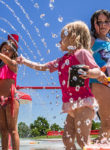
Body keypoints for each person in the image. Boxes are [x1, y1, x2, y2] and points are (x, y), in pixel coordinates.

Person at [17, 21, 107, 149]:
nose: (60, 41)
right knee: (67, 139)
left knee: (83, 141)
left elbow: (97, 70)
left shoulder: (82, 53)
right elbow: (43, 67)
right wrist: (25, 61)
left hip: (84, 104)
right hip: (71, 106)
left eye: (63, 37)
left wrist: (89, 73)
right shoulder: (62, 60)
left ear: (74, 37)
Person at [90, 9, 110, 143]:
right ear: (93, 24)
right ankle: (102, 142)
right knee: (106, 119)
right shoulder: (92, 39)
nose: (103, 25)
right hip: (98, 80)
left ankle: (102, 140)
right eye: (99, 22)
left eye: (106, 21)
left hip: (108, 80)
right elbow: (82, 53)